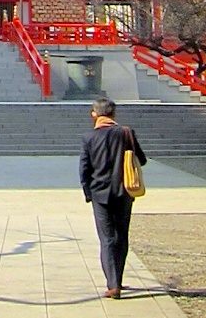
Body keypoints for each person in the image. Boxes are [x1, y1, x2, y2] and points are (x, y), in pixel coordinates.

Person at [79, 97, 146, 299]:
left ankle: (113, 283)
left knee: (107, 238)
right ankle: (119, 278)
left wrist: (87, 192)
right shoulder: (126, 133)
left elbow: (84, 168)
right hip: (124, 191)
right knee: (121, 236)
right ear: (113, 114)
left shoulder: (89, 137)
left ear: (94, 115)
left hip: (100, 194)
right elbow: (141, 160)